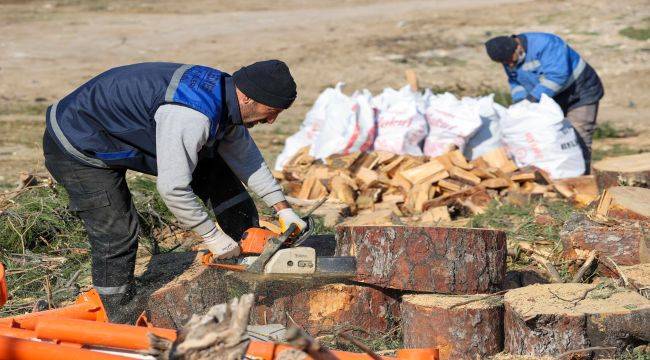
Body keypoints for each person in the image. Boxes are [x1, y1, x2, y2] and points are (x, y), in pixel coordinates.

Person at [42, 60, 307, 322]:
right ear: (248, 97)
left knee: (216, 166)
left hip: (124, 129)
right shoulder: (192, 115)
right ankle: (118, 313)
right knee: (117, 230)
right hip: (77, 142)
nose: (271, 120)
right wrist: (212, 237)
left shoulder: (228, 99)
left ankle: (248, 251)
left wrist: (283, 210)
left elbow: (247, 159)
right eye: (271, 111)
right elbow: (173, 189)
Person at [484, 32, 604, 173]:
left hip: (580, 91)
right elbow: (515, 82)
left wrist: (532, 99)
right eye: (505, 63)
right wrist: (520, 103)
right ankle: (557, 178)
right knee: (551, 137)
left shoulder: (546, 44)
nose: (509, 64)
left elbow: (558, 76)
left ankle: (583, 181)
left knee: (578, 136)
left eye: (510, 60)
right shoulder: (508, 57)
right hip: (550, 97)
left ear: (517, 46)